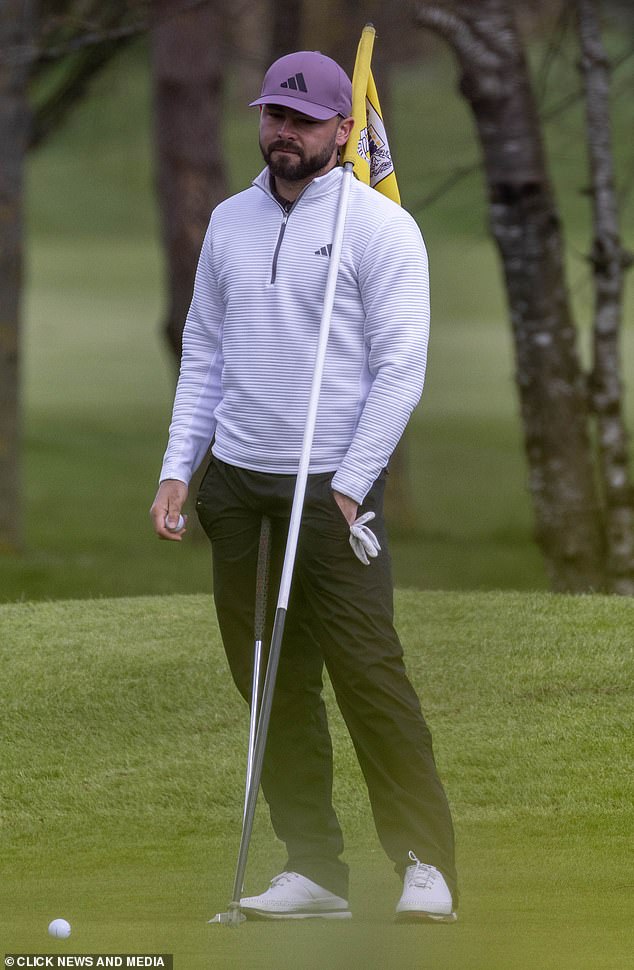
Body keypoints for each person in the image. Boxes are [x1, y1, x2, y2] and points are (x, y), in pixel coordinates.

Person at [150, 49, 458, 923]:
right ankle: (313, 869)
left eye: (303, 120)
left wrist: (354, 485)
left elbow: (401, 371)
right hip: (239, 489)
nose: (282, 134)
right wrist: (181, 467)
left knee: (369, 673)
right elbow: (204, 352)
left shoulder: (381, 230)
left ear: (343, 129)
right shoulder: (228, 223)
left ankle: (425, 863)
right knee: (271, 680)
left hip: (332, 493)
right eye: (273, 116)